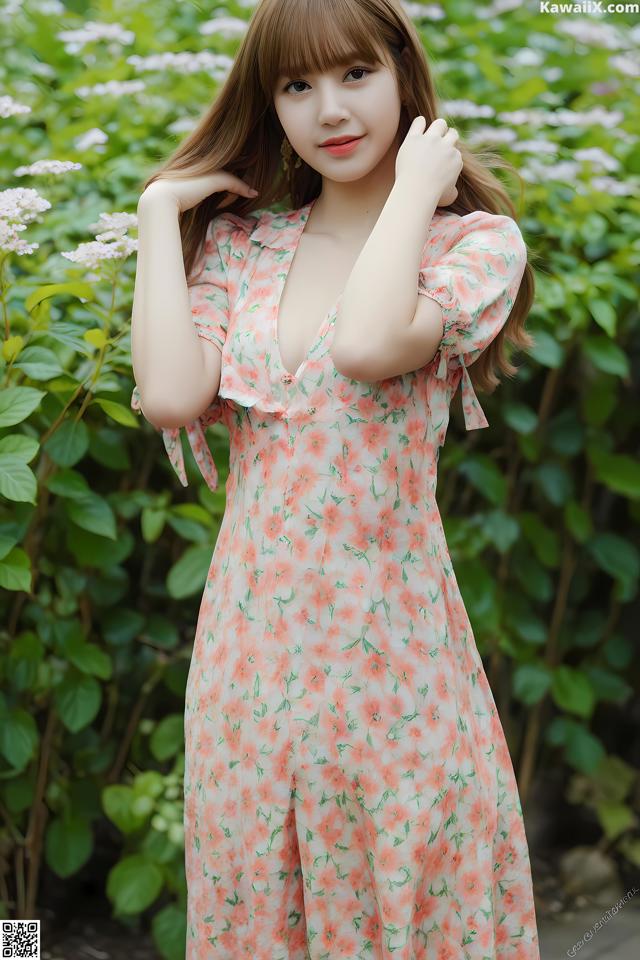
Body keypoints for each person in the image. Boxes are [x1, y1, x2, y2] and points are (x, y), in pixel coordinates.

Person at [130, 1, 540, 957]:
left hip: (393, 661)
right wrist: (158, 213)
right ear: (271, 105)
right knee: (256, 904)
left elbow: (363, 344)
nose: (330, 110)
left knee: (401, 900)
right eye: (297, 86)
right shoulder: (243, 249)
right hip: (250, 658)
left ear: (403, 73)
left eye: (356, 74)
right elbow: (169, 396)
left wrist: (413, 192)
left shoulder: (468, 245)